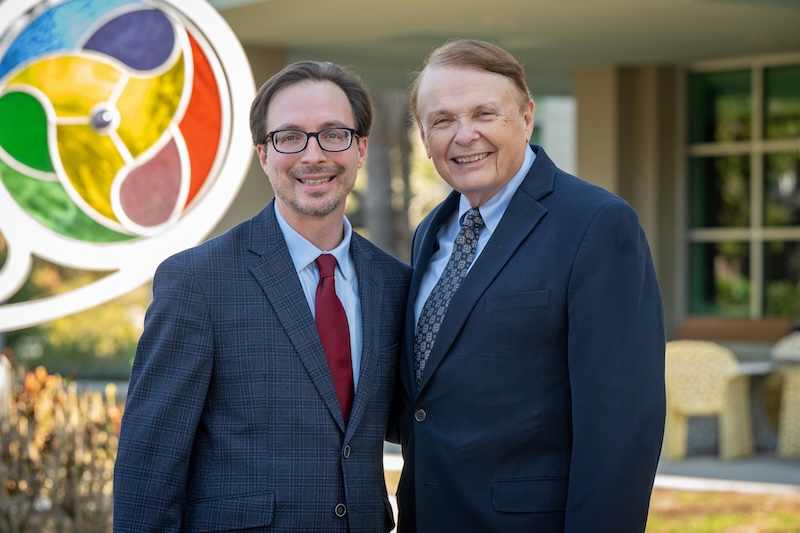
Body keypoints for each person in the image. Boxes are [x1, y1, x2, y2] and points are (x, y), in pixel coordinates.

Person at [113, 61, 411, 532]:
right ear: (263, 154)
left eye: (334, 134)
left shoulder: (395, 284)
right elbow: (150, 465)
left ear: (360, 149)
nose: (313, 155)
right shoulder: (197, 282)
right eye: (289, 137)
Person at [393, 39, 666, 532]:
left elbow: (620, 431)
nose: (464, 135)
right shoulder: (431, 231)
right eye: (442, 120)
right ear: (423, 135)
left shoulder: (597, 225)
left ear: (525, 117)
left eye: (484, 113)